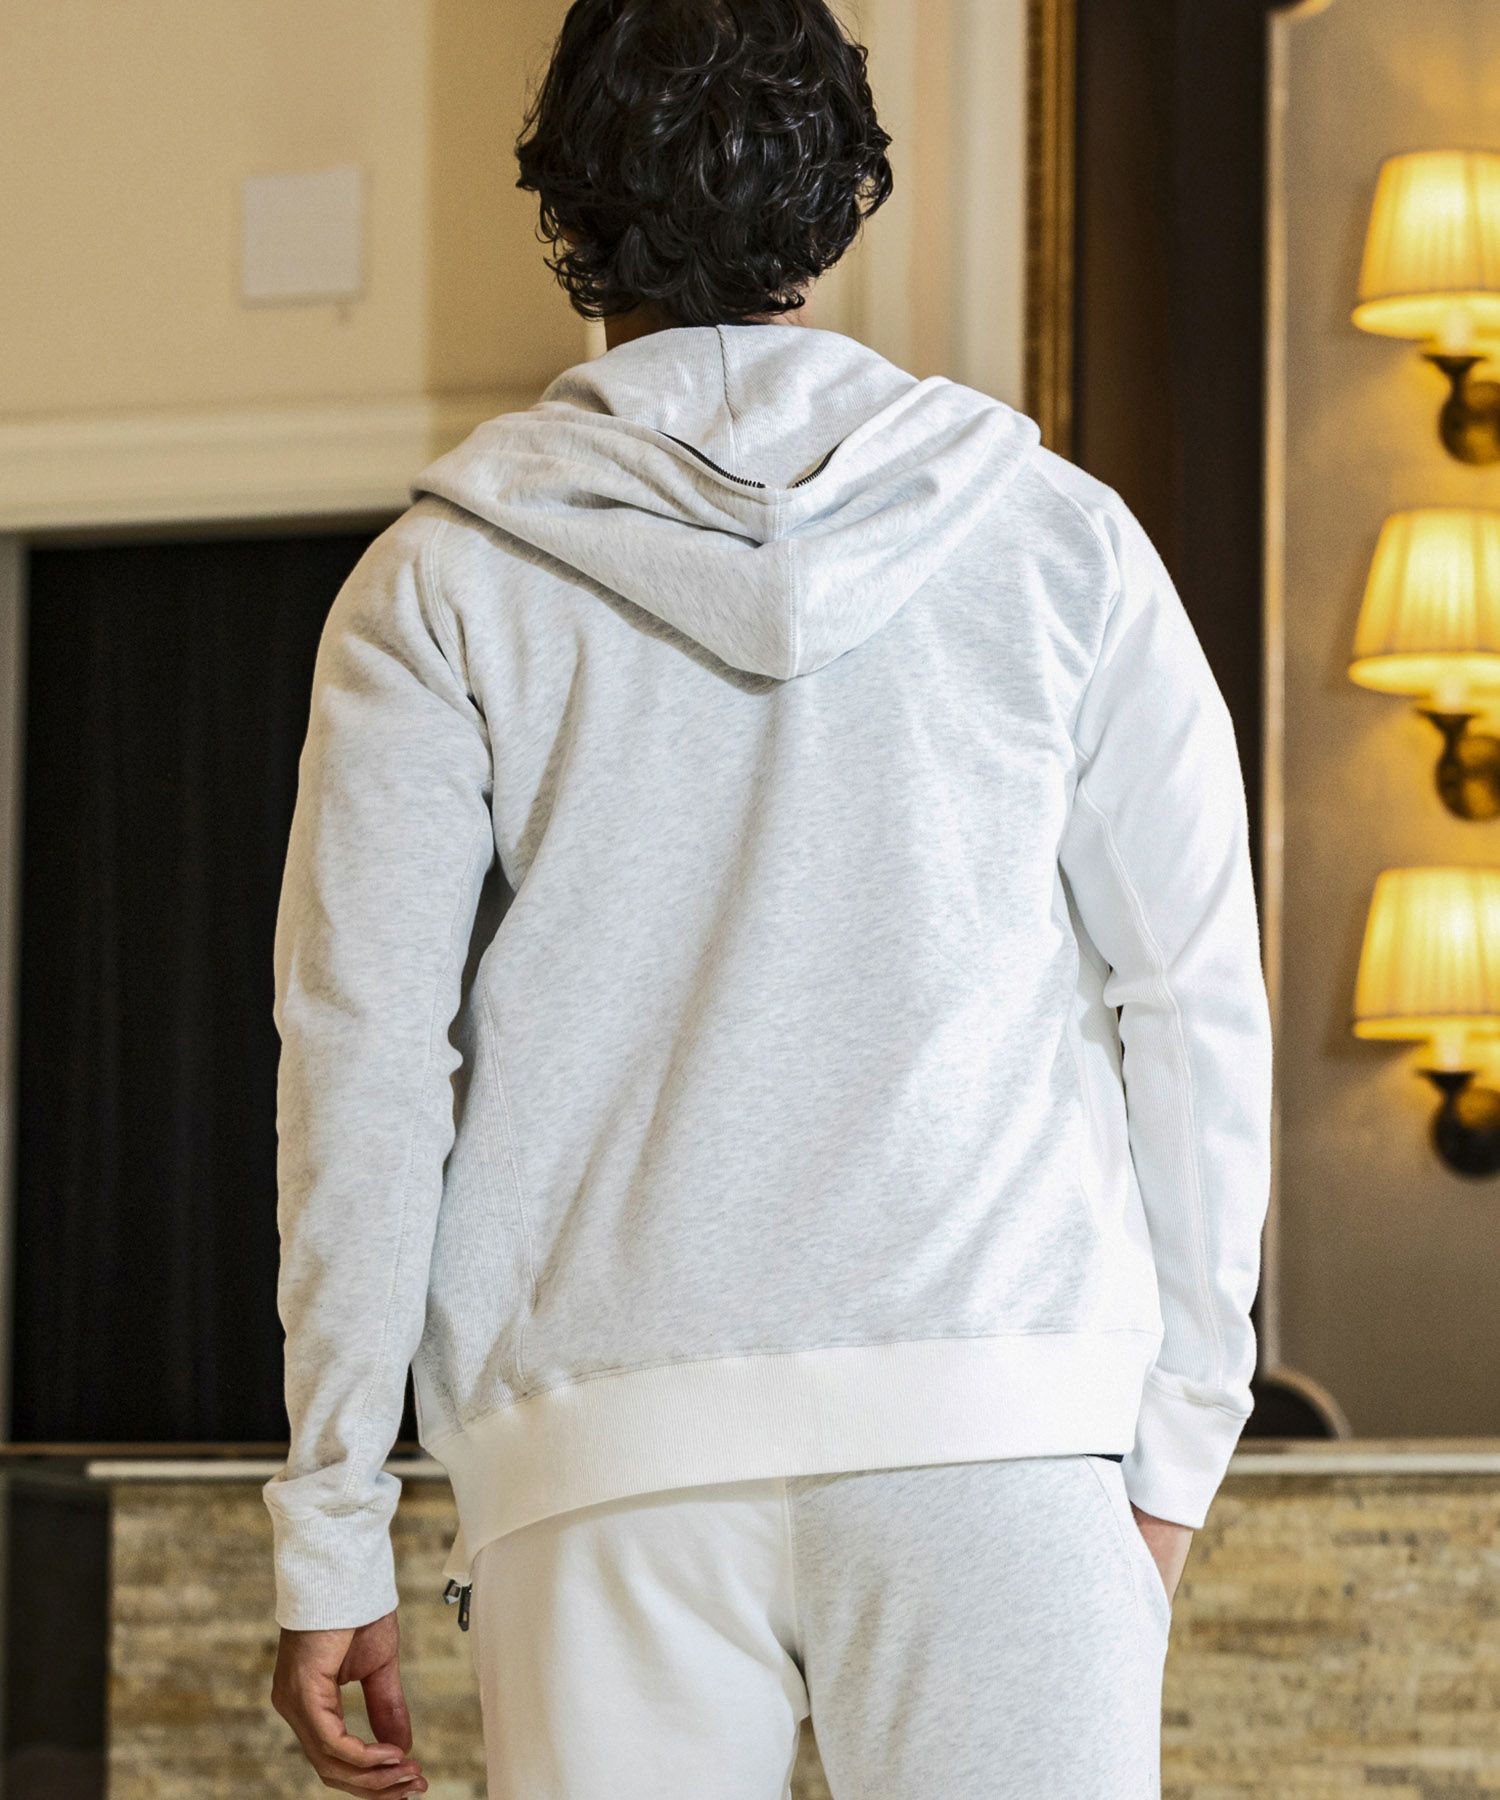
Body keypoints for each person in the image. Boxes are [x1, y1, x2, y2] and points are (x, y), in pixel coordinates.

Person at [265, 1, 1273, 1795]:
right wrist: (1180, 1440)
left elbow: (367, 1065)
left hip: (598, 1464)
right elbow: (1191, 999)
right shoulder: (1063, 545)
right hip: (996, 1425)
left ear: (568, 207)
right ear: (834, 200)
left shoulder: (437, 586)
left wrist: (335, 1520)